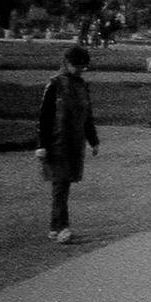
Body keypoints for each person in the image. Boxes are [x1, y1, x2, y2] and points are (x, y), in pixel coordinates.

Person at [37, 45, 99, 244]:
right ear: (67, 63)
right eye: (77, 65)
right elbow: (44, 117)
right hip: (57, 142)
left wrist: (93, 140)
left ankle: (55, 227)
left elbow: (87, 116)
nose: (81, 69)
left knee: (63, 185)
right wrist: (41, 145)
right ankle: (62, 228)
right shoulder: (54, 85)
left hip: (74, 143)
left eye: (84, 66)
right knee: (60, 184)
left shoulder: (82, 86)